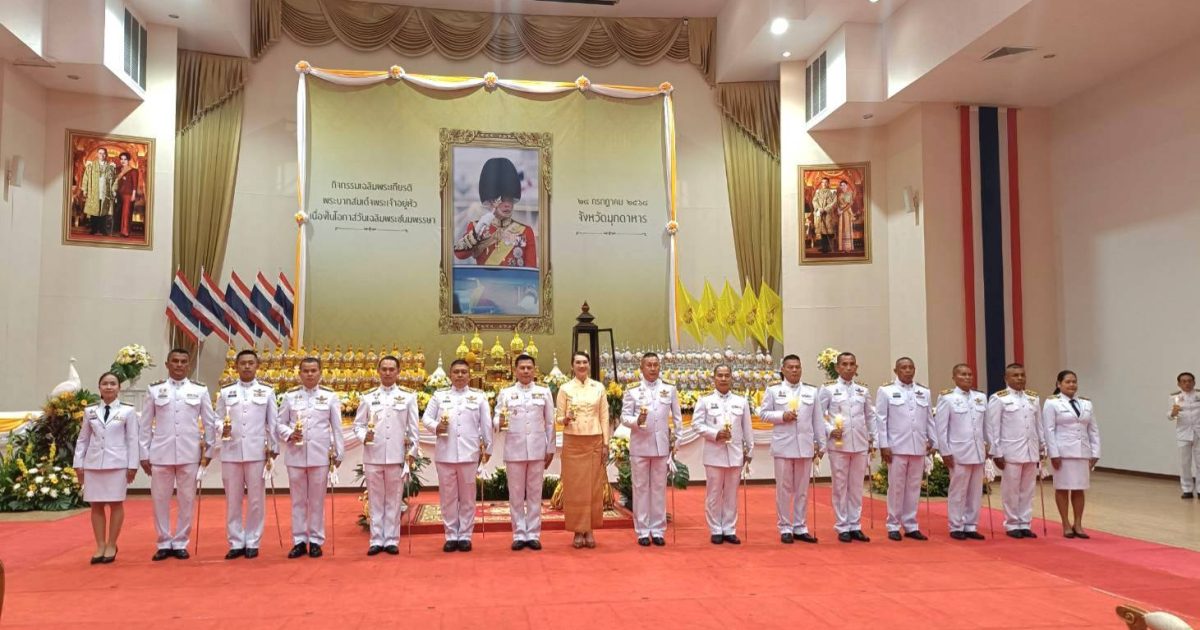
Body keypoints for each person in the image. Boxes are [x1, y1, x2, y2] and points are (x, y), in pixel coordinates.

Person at [140, 348, 218, 560]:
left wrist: (209, 450)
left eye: (184, 361)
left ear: (189, 365)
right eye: (175, 361)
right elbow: (145, 424)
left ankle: (181, 541)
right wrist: (143, 453)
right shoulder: (155, 390)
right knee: (160, 500)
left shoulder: (199, 390)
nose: (179, 365)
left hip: (189, 453)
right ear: (167, 364)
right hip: (161, 453)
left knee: (187, 500)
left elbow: (209, 423)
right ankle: (164, 541)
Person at [213, 349, 279, 560]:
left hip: (256, 452)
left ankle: (252, 540)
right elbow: (217, 418)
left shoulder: (266, 391)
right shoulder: (226, 392)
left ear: (257, 365)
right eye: (243, 363)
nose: (247, 366)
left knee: (256, 500)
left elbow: (272, 422)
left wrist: (274, 448)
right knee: (233, 500)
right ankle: (235, 541)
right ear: (236, 366)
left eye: (251, 363)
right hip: (231, 451)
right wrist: (220, 427)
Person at [421, 359, 492, 552]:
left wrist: (488, 448)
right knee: (448, 497)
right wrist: (436, 426)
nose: (460, 375)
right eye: (456, 372)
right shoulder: (439, 396)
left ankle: (466, 535)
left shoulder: (479, 397)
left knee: (468, 497)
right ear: (450, 375)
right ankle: (451, 535)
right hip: (445, 454)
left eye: (463, 372)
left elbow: (486, 424)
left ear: (470, 375)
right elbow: (426, 417)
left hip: (469, 454)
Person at [278, 357, 344, 559]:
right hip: (295, 455)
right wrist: (289, 433)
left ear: (320, 373)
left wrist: (339, 452)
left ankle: (315, 540)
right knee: (298, 500)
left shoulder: (330, 396)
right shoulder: (290, 396)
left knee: (316, 501)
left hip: (320, 455)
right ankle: (299, 540)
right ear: (299, 373)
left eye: (313, 370)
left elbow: (337, 426)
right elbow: (279, 424)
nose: (309, 374)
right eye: (305, 371)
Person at [353, 356, 419, 556]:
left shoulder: (408, 397)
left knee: (394, 499)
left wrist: (412, 453)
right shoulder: (368, 397)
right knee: (375, 499)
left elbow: (413, 429)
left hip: (397, 456)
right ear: (378, 371)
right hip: (373, 455)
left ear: (398, 371)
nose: (388, 372)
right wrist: (364, 436)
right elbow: (358, 425)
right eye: (384, 369)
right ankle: (376, 539)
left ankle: (391, 539)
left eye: (392, 369)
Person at [758, 354, 823, 544]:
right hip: (783, 446)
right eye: (790, 367)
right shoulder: (773, 390)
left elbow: (817, 420)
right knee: (784, 489)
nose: (794, 370)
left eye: (797, 367)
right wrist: (781, 416)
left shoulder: (811, 391)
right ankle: (785, 527)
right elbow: (763, 414)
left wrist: (821, 444)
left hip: (804, 445)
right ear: (783, 370)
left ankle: (800, 526)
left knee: (802, 489)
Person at [619, 352, 682, 547]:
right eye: (649, 365)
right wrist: (636, 421)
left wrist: (677, 441)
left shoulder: (669, 389)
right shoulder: (632, 390)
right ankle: (643, 531)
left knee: (658, 488)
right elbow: (624, 417)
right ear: (642, 367)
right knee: (640, 488)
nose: (653, 368)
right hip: (640, 445)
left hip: (661, 446)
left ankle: (658, 529)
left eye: (656, 365)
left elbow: (677, 417)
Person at [74, 372, 138, 564]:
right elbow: (83, 439)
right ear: (99, 387)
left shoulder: (127, 411)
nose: (109, 387)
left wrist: (132, 465)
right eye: (105, 383)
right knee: (96, 505)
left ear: (119, 388)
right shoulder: (90, 411)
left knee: (116, 504)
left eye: (113, 383)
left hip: (117, 464)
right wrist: (78, 464)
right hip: (94, 464)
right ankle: (100, 544)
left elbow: (132, 439)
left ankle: (112, 543)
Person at [495, 354, 556, 550]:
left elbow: (550, 422)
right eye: (522, 368)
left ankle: (534, 533)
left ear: (534, 370)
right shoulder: (506, 393)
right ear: (515, 370)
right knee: (516, 494)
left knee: (535, 493)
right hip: (515, 449)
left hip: (537, 449)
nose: (526, 371)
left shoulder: (543, 392)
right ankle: (519, 533)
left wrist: (550, 447)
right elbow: (496, 417)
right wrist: (499, 421)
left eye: (529, 367)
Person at [555, 351, 610, 549]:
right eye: (578, 362)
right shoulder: (565, 389)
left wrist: (606, 443)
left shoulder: (599, 387)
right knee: (575, 487)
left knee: (593, 487)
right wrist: (565, 419)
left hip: (594, 439)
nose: (581, 365)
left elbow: (604, 416)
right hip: (573, 441)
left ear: (589, 365)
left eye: (585, 362)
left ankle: (590, 529)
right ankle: (578, 530)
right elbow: (558, 418)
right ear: (572, 366)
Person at [875, 357, 935, 541]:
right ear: (896, 371)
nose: (908, 371)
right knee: (896, 487)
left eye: (910, 367)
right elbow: (881, 419)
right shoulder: (886, 391)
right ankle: (893, 524)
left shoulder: (923, 392)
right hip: (897, 447)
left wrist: (933, 441)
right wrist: (884, 445)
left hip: (918, 446)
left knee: (914, 487)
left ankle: (910, 524)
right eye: (903, 368)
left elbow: (929, 419)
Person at [818, 352, 875, 543]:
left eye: (852, 364)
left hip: (859, 443)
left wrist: (873, 439)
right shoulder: (828, 389)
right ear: (837, 367)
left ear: (856, 367)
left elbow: (870, 416)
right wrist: (829, 429)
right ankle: (842, 525)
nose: (848, 367)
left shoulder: (862, 390)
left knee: (857, 486)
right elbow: (819, 415)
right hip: (839, 444)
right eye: (844, 364)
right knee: (840, 486)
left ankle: (855, 525)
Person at [693, 365, 754, 544]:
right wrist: (715, 434)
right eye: (720, 375)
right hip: (714, 453)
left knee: (731, 494)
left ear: (731, 378)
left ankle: (729, 528)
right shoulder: (705, 400)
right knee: (713, 493)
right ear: (714, 378)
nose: (723, 378)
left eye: (727, 375)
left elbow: (747, 428)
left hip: (735, 453)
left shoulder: (741, 401)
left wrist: (749, 450)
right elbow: (697, 424)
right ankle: (715, 529)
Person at [986, 363, 1043, 539]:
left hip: (1030, 450)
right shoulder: (999, 398)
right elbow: (993, 427)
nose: (1019, 378)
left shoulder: (1033, 398)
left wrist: (1042, 447)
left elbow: (1039, 425)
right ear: (1006, 378)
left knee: (1028, 489)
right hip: (1010, 451)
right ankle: (1012, 523)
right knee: (1011, 490)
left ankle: (1025, 523)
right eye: (1015, 375)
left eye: (1022, 375)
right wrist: (997, 452)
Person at [933, 364, 989, 540]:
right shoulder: (947, 398)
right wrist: (945, 451)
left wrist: (988, 445)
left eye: (970, 374)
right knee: (958, 491)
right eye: (963, 374)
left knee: (975, 492)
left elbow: (986, 425)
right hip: (958, 451)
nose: (967, 377)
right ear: (954, 377)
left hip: (977, 451)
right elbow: (941, 427)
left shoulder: (980, 397)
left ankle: (971, 525)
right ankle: (956, 525)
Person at [1043, 370, 1101, 538]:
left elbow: (1093, 429)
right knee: (1062, 488)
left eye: (1074, 381)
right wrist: (1053, 454)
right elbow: (1049, 430)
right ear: (1058, 384)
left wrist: (1095, 452)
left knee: (1079, 488)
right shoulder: (1052, 403)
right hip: (1063, 453)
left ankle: (1078, 523)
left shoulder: (1086, 403)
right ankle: (1066, 524)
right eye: (1067, 382)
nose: (1072, 385)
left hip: (1082, 451)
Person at [452, 157, 537, 267]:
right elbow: (459, 254)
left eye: (510, 200)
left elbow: (530, 271)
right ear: (491, 202)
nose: (507, 204)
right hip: (484, 279)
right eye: (502, 200)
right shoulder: (476, 228)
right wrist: (476, 232)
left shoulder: (526, 232)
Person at [1169, 372, 1200, 498]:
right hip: (1183, 433)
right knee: (1185, 463)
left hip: (1198, 432)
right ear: (1179, 384)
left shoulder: (1199, 395)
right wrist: (1173, 413)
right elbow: (1170, 416)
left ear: (1194, 382)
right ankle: (1187, 489)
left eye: (1189, 381)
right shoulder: (1174, 397)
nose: (1187, 383)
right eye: (1184, 381)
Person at [80, 147, 117, 235]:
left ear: (106, 155)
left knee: (104, 209)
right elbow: (86, 178)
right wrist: (85, 189)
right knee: (94, 210)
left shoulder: (110, 167)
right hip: (94, 190)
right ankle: (94, 229)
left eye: (104, 153)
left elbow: (115, 180)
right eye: (100, 153)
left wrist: (113, 190)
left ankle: (102, 229)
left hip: (105, 191)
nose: (102, 155)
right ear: (97, 154)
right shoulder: (91, 166)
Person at [114, 151, 139, 238]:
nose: (123, 161)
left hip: (128, 194)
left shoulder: (133, 171)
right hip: (119, 194)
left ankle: (125, 231)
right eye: (121, 159)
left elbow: (135, 184)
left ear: (128, 160)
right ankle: (119, 230)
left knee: (126, 213)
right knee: (119, 213)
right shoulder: (118, 170)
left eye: (125, 159)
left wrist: (133, 195)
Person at [812, 176, 837, 253]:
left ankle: (829, 247)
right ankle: (824, 247)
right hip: (820, 213)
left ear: (828, 183)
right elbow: (814, 201)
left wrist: (825, 209)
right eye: (823, 182)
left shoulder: (832, 192)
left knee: (829, 230)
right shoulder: (818, 192)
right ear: (821, 183)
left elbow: (834, 202)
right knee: (822, 230)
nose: (824, 184)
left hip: (828, 214)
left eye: (826, 182)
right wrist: (819, 208)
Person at [836, 179, 858, 253]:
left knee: (846, 229)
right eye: (841, 185)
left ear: (847, 186)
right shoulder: (840, 194)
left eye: (844, 185)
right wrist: (838, 210)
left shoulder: (849, 193)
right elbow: (838, 204)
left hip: (847, 213)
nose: (842, 187)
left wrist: (842, 210)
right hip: (840, 213)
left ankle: (848, 248)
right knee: (841, 229)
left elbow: (849, 205)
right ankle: (842, 247)